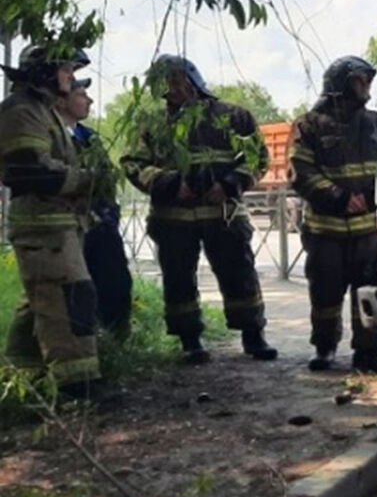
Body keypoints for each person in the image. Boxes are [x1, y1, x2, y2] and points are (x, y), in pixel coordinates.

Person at [121, 55, 277, 364]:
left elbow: (257, 157)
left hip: (224, 215)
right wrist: (168, 184)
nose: (171, 89)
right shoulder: (151, 124)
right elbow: (132, 163)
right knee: (178, 280)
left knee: (240, 275)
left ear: (193, 80)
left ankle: (253, 335)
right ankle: (190, 341)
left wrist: (230, 185)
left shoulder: (234, 116)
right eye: (165, 84)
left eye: (177, 81)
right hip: (173, 218)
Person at [0, 45, 110, 400]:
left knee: (41, 301)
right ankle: (78, 387)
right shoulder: (21, 111)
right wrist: (88, 180)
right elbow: (30, 170)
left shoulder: (40, 110)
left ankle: (22, 378)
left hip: (53, 225)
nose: (71, 77)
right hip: (42, 226)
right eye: (65, 70)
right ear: (45, 72)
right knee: (70, 299)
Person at [289, 56, 377, 374]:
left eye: (368, 80)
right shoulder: (308, 125)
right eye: (359, 79)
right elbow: (300, 170)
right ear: (340, 83)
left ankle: (370, 352)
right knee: (324, 292)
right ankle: (324, 348)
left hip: (370, 230)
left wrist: (372, 196)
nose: (366, 86)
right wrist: (338, 197)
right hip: (326, 230)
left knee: (372, 289)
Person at [56, 78, 133, 339]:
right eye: (81, 95)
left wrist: (109, 213)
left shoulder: (89, 138)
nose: (89, 100)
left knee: (116, 283)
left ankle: (115, 340)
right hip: (67, 227)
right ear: (62, 100)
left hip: (99, 225)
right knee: (76, 291)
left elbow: (106, 180)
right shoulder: (52, 135)